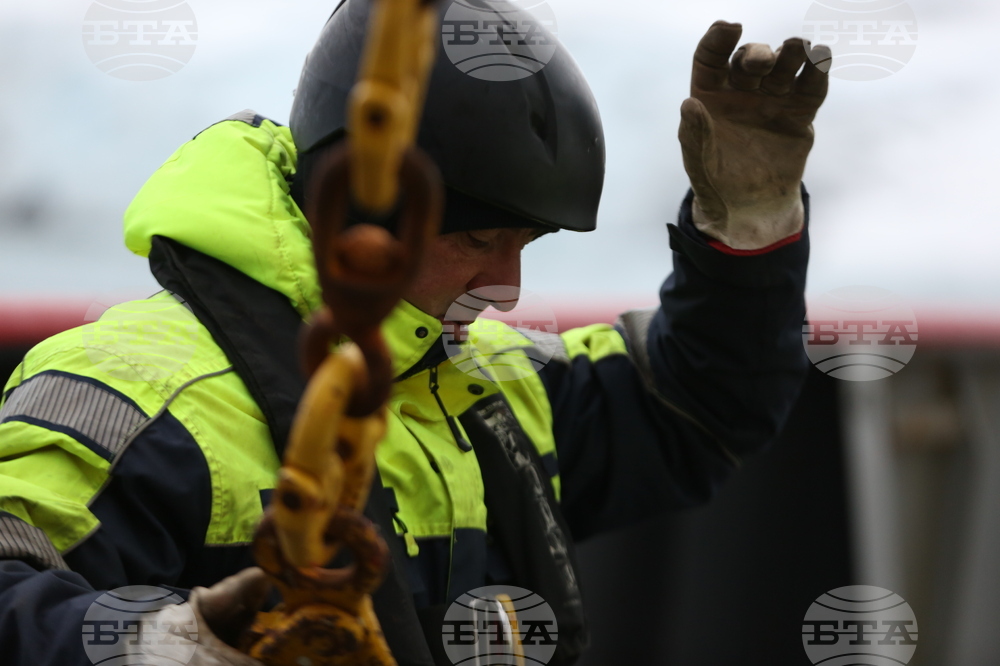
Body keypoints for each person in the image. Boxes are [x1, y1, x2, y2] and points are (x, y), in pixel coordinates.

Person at [0, 1, 829, 664]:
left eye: (524, 246)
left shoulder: (486, 385)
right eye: (476, 242)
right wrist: (163, 647)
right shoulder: (130, 393)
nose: (507, 290)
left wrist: (749, 228)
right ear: (356, 210)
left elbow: (698, 404)